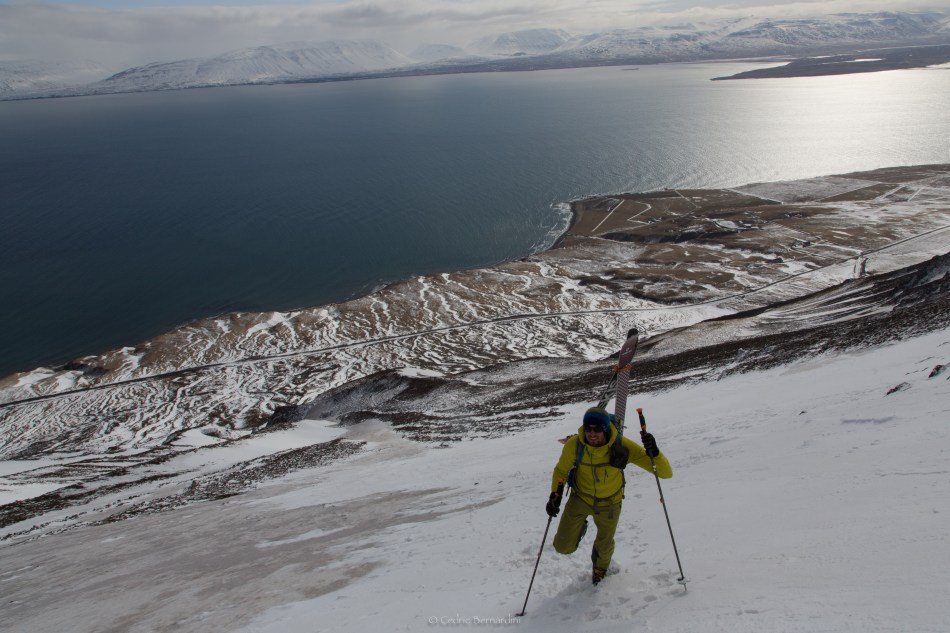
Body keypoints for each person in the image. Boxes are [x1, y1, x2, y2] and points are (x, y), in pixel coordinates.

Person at [545, 406, 672, 585]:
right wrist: (555, 494)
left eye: (597, 429)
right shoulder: (575, 445)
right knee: (562, 547)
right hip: (580, 498)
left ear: (606, 429)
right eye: (588, 428)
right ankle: (580, 529)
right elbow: (561, 470)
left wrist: (655, 453)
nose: (592, 433)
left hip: (610, 503)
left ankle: (600, 569)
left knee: (604, 547)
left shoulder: (621, 445)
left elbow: (665, 473)